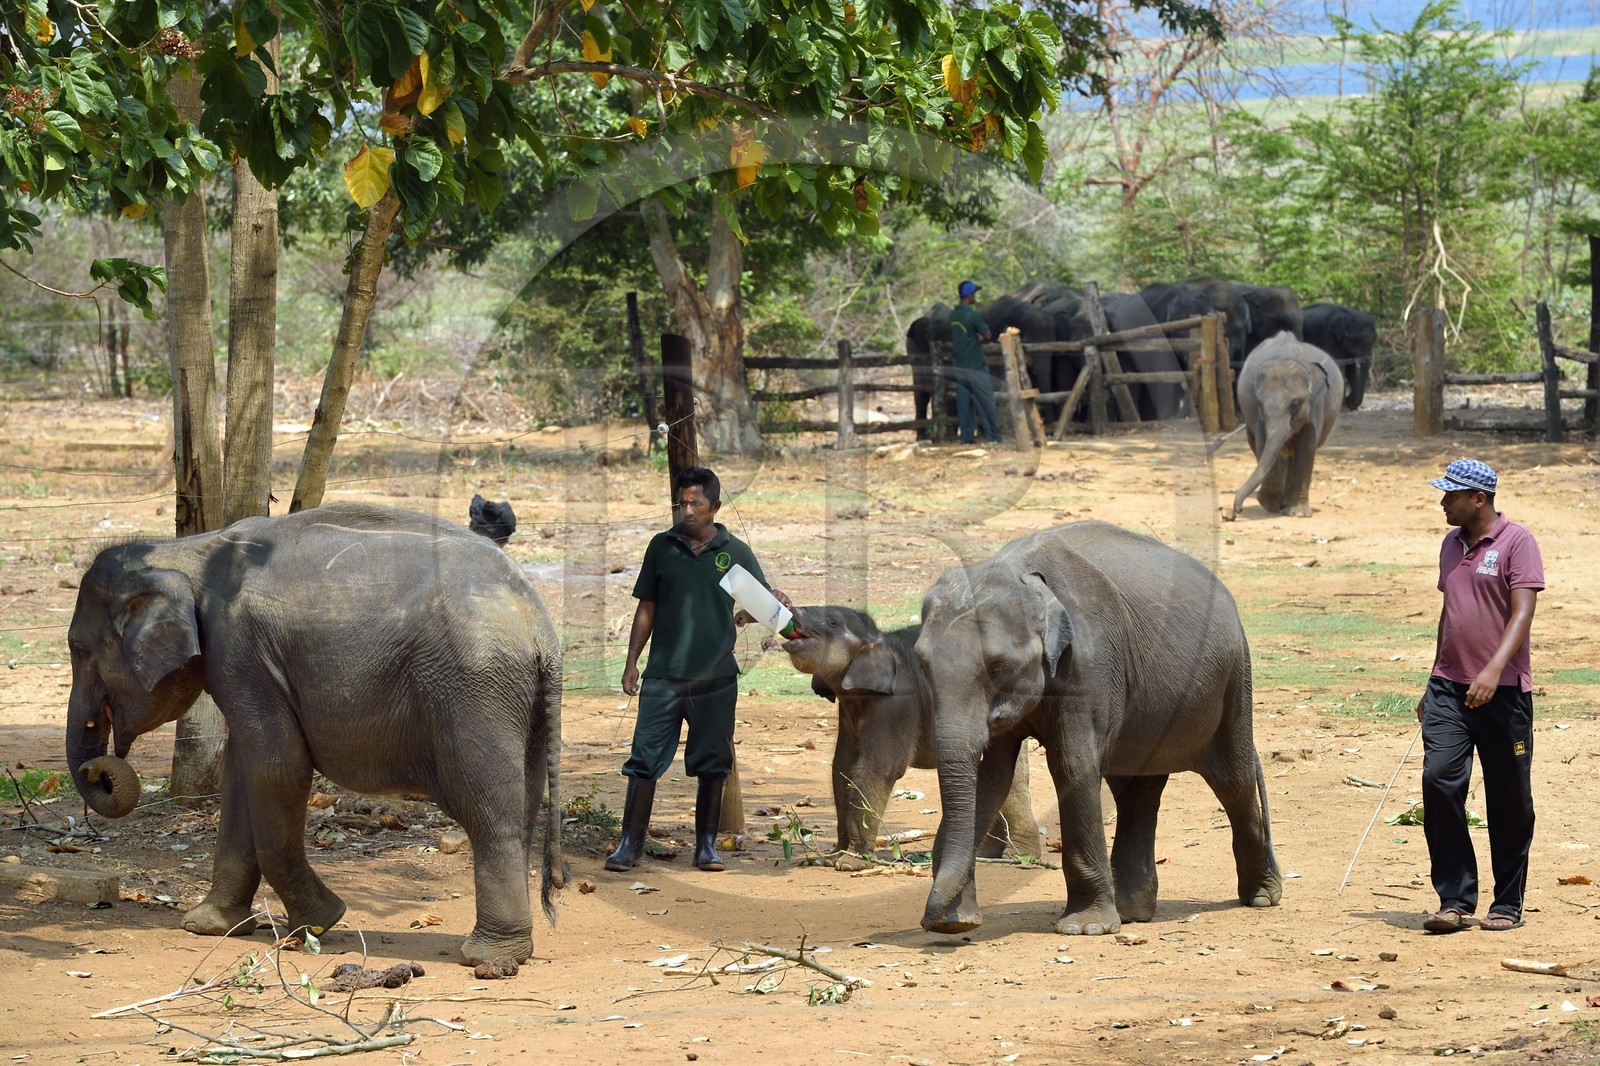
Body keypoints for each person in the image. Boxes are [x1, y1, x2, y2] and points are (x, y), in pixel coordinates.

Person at [608, 467, 791, 873]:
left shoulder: (736, 553)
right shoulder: (662, 547)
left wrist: (771, 602)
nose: (687, 511)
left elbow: (755, 607)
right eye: (681, 503)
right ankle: (629, 845)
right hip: (663, 677)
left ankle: (706, 847)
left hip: (715, 679)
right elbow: (647, 607)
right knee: (644, 760)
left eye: (696, 504)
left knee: (712, 762)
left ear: (715, 507)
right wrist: (631, 662)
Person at [1417, 459, 1544, 934]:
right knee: (1439, 781)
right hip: (1449, 688)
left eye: (1450, 495)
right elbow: (1450, 613)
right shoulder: (1450, 544)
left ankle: (1507, 902)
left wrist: (1492, 671)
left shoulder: (1517, 542)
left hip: (1503, 693)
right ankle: (1454, 898)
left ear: (1479, 499)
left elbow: (1522, 612)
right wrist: (1433, 678)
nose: (1442, 502)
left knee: (1509, 798)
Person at [949, 280, 1002, 445]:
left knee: (964, 404)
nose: (975, 297)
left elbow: (961, 336)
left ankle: (967, 437)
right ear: (970, 295)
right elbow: (987, 334)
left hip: (959, 366)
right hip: (976, 365)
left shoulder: (953, 315)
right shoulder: (972, 314)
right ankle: (994, 436)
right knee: (986, 401)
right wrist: (980, 337)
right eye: (974, 294)